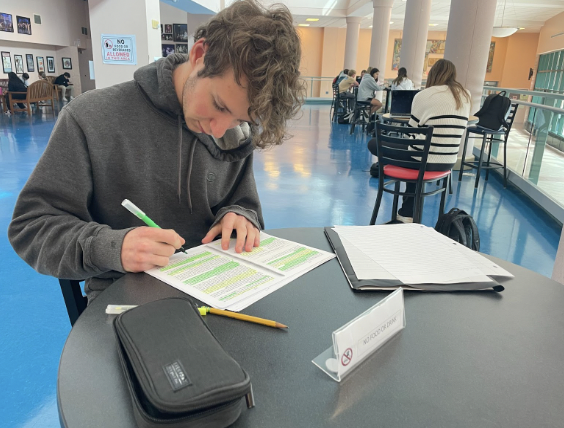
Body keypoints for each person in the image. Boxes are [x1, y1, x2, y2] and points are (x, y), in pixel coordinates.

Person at [8, 0, 305, 301]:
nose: (218, 130)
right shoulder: (91, 119)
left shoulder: (233, 132)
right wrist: (112, 247)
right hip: (126, 298)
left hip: (219, 288)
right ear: (200, 54)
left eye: (240, 118)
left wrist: (241, 216)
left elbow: (244, 203)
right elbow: (31, 227)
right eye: (218, 105)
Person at [367, 59, 471, 222]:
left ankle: (406, 213)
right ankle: (406, 212)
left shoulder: (424, 95)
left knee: (375, 143)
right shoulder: (465, 95)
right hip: (448, 160)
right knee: (417, 153)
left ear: (433, 75)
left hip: (423, 159)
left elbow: (411, 131)